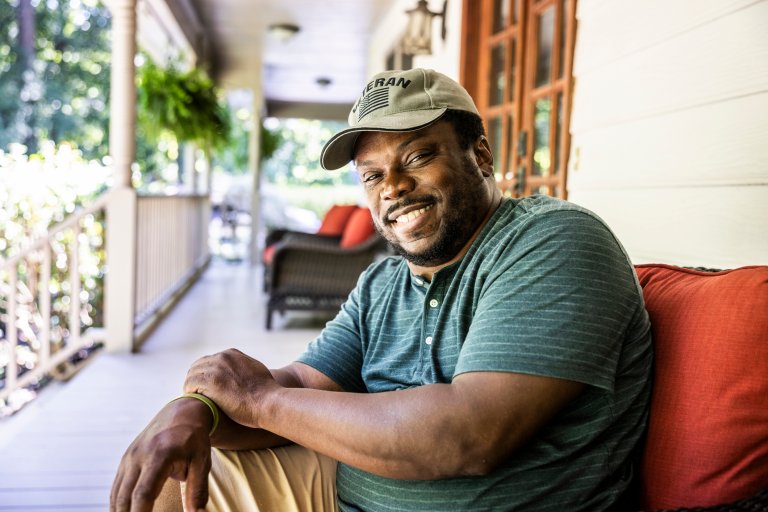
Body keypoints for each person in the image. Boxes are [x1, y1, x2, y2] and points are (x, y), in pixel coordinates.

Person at [111, 68, 652, 512]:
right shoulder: (383, 282)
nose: (392, 187)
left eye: (417, 157)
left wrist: (259, 399)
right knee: (170, 480)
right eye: (372, 175)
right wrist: (194, 411)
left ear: (481, 156)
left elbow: (470, 435)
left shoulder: (554, 240)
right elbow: (303, 383)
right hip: (343, 490)